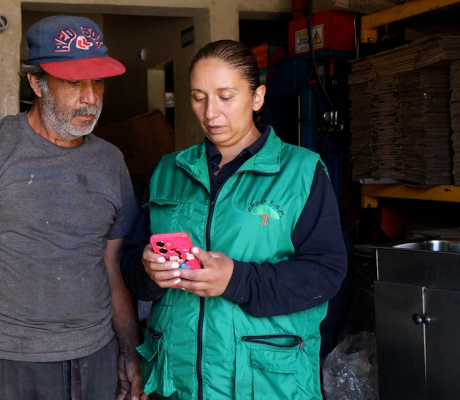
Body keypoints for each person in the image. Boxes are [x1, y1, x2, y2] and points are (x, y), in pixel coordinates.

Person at [121, 40, 348, 399]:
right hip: (177, 382)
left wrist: (236, 280)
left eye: (225, 96)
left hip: (263, 383)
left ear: (257, 98)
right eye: (199, 97)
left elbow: (326, 272)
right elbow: (132, 262)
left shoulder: (301, 172)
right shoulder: (169, 170)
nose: (211, 113)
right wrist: (149, 274)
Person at [0, 15, 146, 400]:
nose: (91, 98)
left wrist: (130, 352)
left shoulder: (111, 162)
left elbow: (111, 268)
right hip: (6, 361)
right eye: (72, 82)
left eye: (97, 81)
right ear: (35, 81)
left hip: (95, 356)